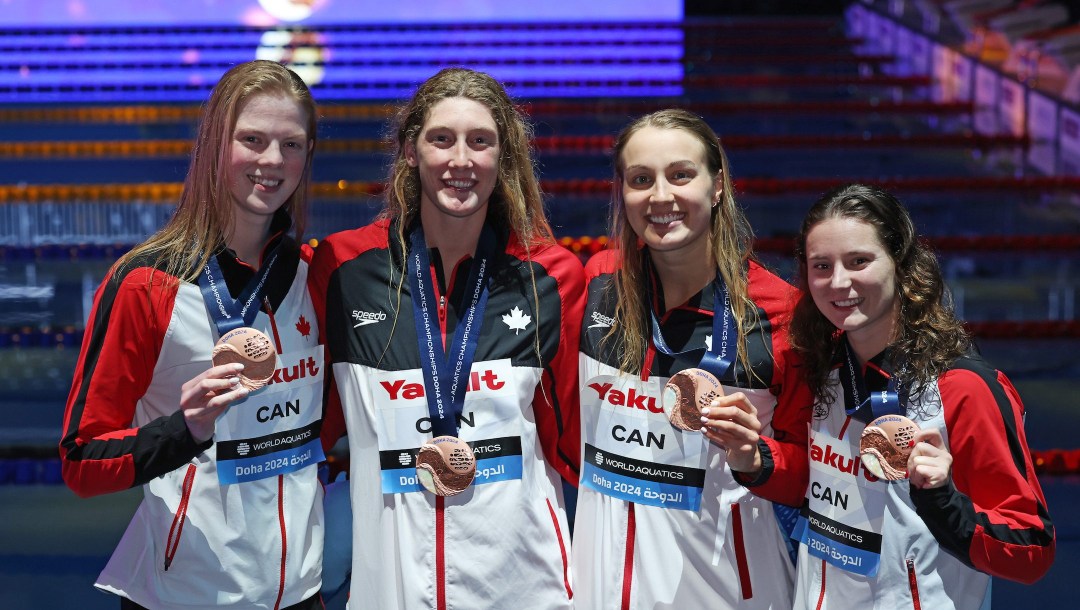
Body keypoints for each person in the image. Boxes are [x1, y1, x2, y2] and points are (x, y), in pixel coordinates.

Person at [309, 67, 584, 609]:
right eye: (442, 139)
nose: (461, 160)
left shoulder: (550, 277)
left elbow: (573, 443)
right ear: (411, 151)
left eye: (480, 141)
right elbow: (310, 427)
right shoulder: (344, 269)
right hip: (392, 591)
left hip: (526, 589)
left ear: (502, 157)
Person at [59, 60, 325, 610]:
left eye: (291, 144)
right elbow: (82, 459)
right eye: (251, 139)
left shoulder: (312, 277)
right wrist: (186, 429)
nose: (272, 161)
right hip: (185, 595)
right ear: (214, 146)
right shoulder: (145, 284)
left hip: (301, 592)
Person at [575, 108, 811, 609]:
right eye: (641, 179)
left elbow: (817, 474)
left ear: (717, 184)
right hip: (602, 590)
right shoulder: (598, 284)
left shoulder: (782, 315)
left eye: (681, 175)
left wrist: (755, 457)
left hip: (728, 593)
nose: (661, 197)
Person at [785, 183, 1055, 608]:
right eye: (822, 265)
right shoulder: (824, 371)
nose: (838, 282)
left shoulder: (961, 387)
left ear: (901, 263)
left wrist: (942, 498)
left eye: (859, 261)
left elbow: (1031, 551)